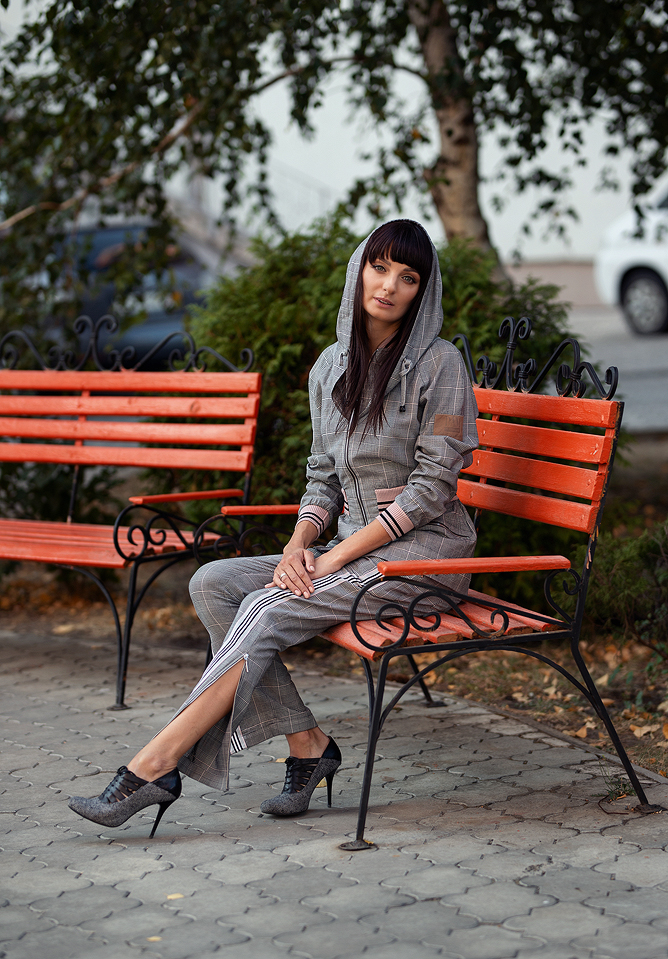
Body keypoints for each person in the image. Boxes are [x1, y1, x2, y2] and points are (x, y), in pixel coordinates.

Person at [68, 219, 479, 837]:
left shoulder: (439, 364)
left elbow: (431, 490)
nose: (389, 286)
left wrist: (332, 560)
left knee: (265, 607)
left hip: (424, 558)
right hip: (352, 551)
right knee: (213, 584)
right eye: (380, 267)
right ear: (359, 269)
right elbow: (323, 478)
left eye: (408, 277)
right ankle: (308, 744)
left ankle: (156, 764)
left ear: (424, 290)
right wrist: (298, 546)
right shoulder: (331, 367)